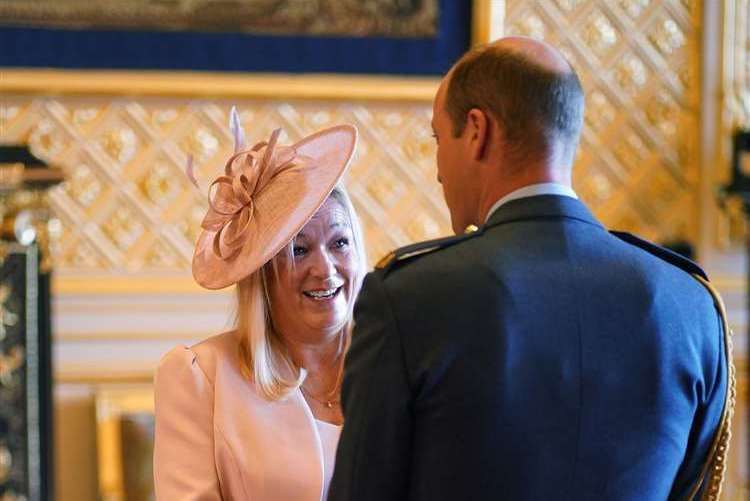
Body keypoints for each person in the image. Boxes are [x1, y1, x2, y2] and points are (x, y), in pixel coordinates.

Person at [330, 37, 733, 500]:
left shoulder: (408, 297)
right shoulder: (691, 307)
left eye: (439, 140)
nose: (439, 170)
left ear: (478, 131)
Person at [153, 113, 367, 501]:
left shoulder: (397, 365)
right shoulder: (200, 377)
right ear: (262, 273)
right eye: (299, 250)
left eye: (340, 243)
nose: (325, 269)